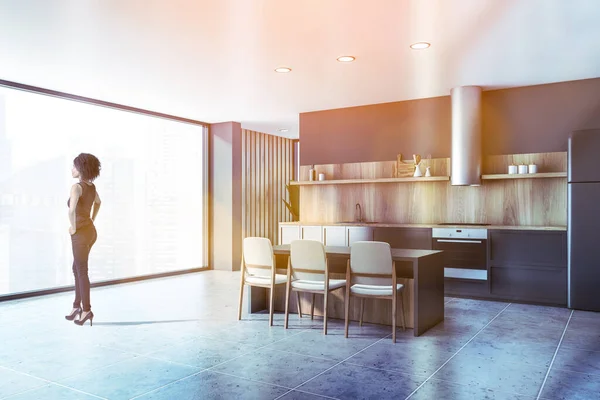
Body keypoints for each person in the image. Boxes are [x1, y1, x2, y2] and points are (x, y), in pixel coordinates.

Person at [64, 153, 101, 326]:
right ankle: (76, 306)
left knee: (81, 271)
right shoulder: (92, 186)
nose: (72, 169)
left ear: (80, 169)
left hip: (80, 234)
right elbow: (98, 202)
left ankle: (86, 310)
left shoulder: (76, 187)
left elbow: (71, 211)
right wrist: (92, 218)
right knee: (77, 268)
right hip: (91, 232)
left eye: (74, 166)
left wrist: (73, 228)